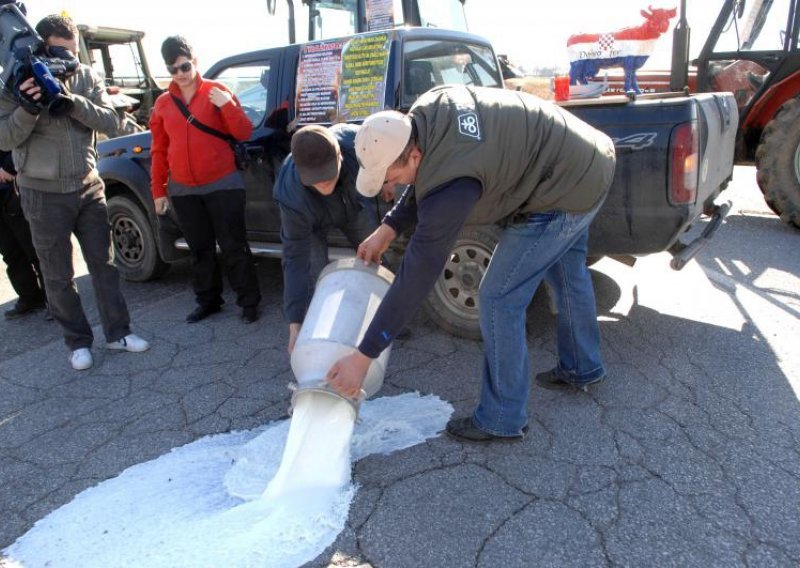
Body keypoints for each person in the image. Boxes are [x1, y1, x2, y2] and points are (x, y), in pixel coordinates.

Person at [324, 85, 616, 442]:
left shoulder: (453, 185)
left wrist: (363, 356)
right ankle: (582, 366)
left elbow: (417, 275)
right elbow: (428, 177)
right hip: (586, 160)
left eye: (392, 179)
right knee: (567, 271)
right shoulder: (425, 113)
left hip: (564, 187)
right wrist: (389, 227)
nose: (391, 189)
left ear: (413, 155)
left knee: (498, 298)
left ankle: (502, 418)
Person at [0, 14, 150, 370]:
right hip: (41, 192)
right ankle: (78, 342)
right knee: (58, 275)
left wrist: (73, 102)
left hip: (87, 186)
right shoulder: (12, 83)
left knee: (106, 265)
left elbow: (111, 122)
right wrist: (29, 109)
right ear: (41, 46)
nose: (68, 60)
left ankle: (118, 334)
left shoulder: (85, 75)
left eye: (72, 52)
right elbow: (4, 137)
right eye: (59, 52)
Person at [150, 36, 261, 325]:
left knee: (234, 246)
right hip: (184, 188)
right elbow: (159, 150)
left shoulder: (217, 91)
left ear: (194, 61)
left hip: (222, 183)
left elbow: (244, 132)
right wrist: (158, 191)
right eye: (173, 69)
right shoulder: (162, 103)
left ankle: (249, 302)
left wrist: (227, 105)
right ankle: (208, 301)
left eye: (185, 66)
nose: (181, 74)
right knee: (199, 250)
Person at [274, 123, 382, 353]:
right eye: (315, 177)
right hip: (310, 220)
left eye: (327, 172)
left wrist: (387, 179)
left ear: (340, 155)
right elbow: (295, 261)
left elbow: (385, 155)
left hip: (352, 206)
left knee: (377, 254)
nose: (324, 182)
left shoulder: (357, 142)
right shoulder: (290, 194)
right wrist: (295, 324)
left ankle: (387, 315)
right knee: (316, 275)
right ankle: (318, 332)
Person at [0, 150, 47, 319]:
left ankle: (56, 300)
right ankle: (30, 298)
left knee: (36, 248)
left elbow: (21, 139)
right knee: (11, 253)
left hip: (15, 189)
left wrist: (8, 166)